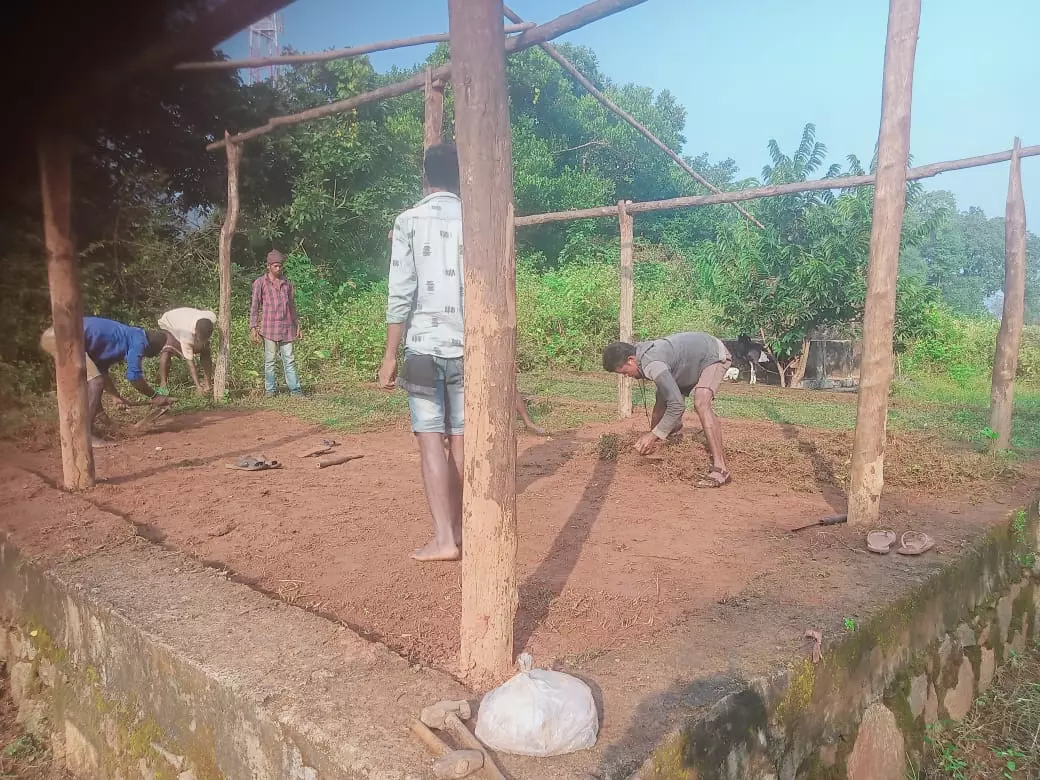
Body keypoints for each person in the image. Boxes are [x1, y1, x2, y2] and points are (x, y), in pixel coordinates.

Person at [377, 143, 465, 562]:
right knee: (462, 440)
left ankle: (444, 539)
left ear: (425, 177)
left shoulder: (407, 221)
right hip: (469, 347)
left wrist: (390, 355)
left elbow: (400, 292)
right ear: (460, 176)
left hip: (423, 349)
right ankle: (461, 528)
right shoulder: (476, 219)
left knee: (431, 441)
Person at [602, 331, 733, 488]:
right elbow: (664, 399)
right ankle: (669, 439)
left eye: (624, 372)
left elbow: (677, 405)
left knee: (701, 402)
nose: (626, 376)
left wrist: (652, 435)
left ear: (631, 360)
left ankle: (721, 469)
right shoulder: (641, 355)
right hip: (687, 364)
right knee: (662, 397)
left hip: (712, 354)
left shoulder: (652, 364)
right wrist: (654, 437)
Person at [40, 316, 172, 448]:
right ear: (150, 348)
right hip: (63, 337)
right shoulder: (139, 342)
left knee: (96, 380)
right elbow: (134, 377)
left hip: (55, 335)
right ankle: (85, 435)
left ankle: (96, 424)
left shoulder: (128, 336)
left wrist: (115, 396)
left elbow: (101, 371)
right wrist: (154, 396)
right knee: (96, 382)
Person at [249, 250, 302, 397]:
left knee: (289, 360)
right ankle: (270, 390)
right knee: (270, 360)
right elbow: (254, 306)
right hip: (269, 328)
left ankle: (295, 390)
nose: (278, 269)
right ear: (268, 266)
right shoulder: (260, 283)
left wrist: (297, 325)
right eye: (275, 266)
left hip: (287, 327)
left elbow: (292, 307)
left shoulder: (287, 284)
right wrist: (253, 326)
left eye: (280, 266)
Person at [156, 307, 216, 396]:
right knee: (167, 350)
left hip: (185, 317)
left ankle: (208, 384)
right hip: (168, 323)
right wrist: (198, 386)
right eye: (200, 338)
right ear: (195, 332)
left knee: (205, 348)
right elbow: (190, 362)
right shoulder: (186, 335)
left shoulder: (211, 318)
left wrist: (203, 343)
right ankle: (163, 385)